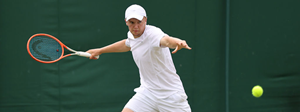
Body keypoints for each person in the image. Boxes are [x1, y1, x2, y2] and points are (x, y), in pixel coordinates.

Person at [87, 4, 192, 112]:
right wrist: (100, 51)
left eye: (139, 22)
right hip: (148, 93)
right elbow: (127, 44)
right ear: (126, 22)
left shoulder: (153, 34)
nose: (136, 26)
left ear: (145, 20)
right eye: (132, 23)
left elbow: (166, 40)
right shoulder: (132, 35)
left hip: (170, 95)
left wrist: (177, 43)